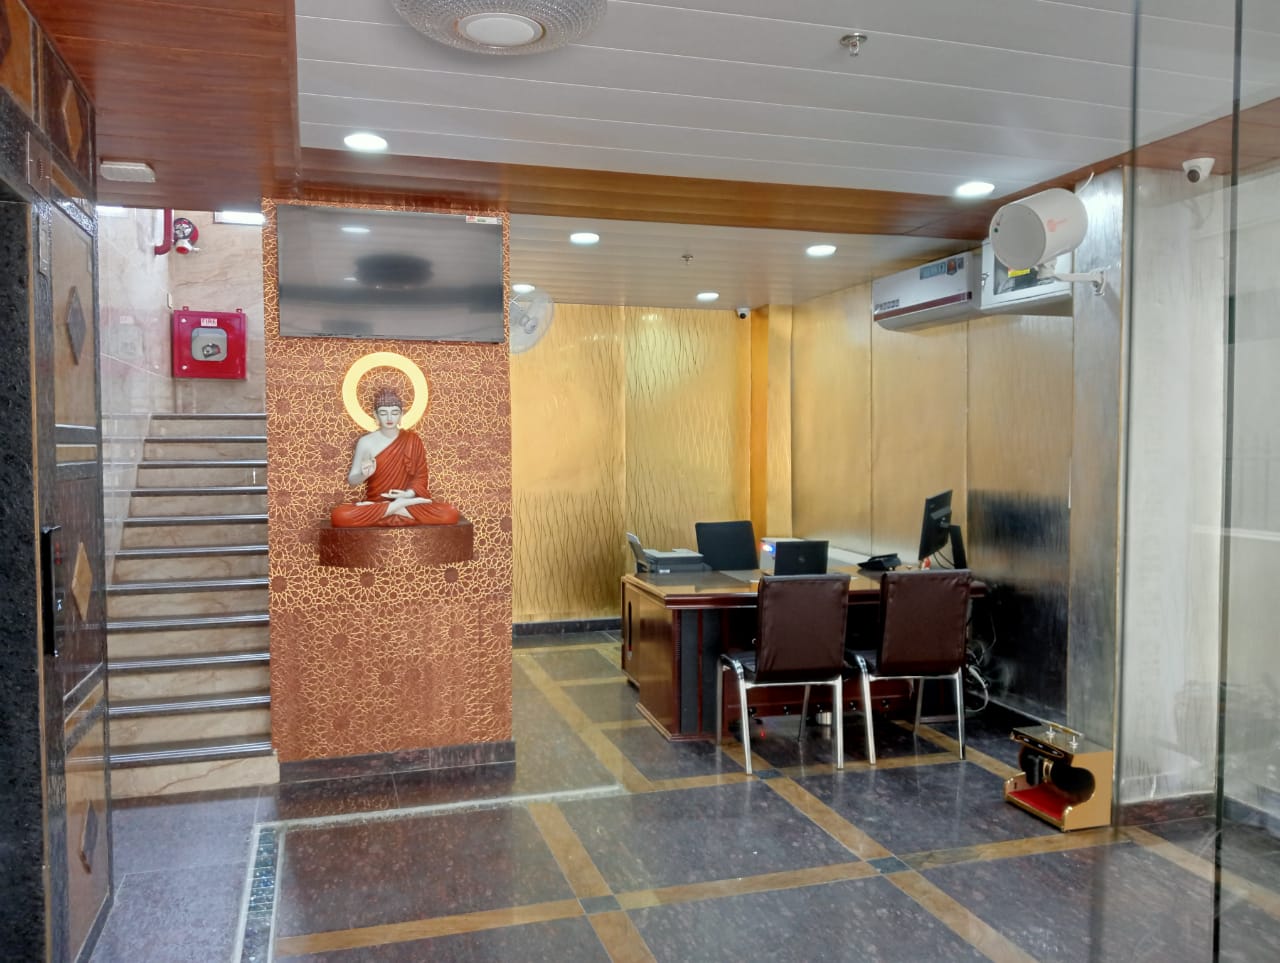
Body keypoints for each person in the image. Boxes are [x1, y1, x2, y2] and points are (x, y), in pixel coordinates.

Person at [330, 387, 461, 528]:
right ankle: (398, 508)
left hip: (405, 502)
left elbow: (421, 477)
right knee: (340, 515)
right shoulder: (366, 442)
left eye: (394, 413)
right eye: (383, 413)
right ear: (375, 415)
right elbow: (352, 480)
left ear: (401, 415)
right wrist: (364, 474)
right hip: (376, 504)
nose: (389, 418)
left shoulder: (413, 440)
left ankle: (394, 508)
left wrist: (408, 495)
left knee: (450, 512)